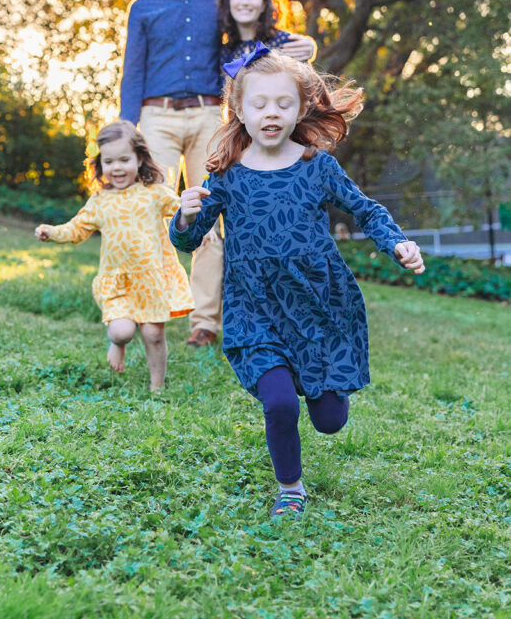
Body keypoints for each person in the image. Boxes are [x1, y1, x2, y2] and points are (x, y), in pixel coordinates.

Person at [169, 45, 424, 517]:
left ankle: (324, 387)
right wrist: (183, 218)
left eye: (283, 103)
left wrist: (396, 243)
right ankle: (290, 489)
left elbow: (366, 208)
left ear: (302, 107)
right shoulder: (225, 175)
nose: (271, 113)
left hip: (316, 305)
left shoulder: (316, 165)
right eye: (260, 103)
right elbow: (189, 241)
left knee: (328, 420)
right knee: (281, 403)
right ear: (239, 109)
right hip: (253, 307)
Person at [119, 0, 224, 348]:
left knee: (209, 214)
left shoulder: (220, 2)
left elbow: (242, 51)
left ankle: (204, 323)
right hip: (156, 116)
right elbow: (133, 71)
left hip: (208, 115)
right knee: (151, 210)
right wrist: (126, 130)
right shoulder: (143, 7)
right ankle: (152, 308)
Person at [35, 120, 193, 392]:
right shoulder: (99, 201)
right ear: (100, 164)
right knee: (122, 330)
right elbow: (76, 229)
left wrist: (198, 217)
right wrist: (52, 232)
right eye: (109, 161)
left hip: (151, 279)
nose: (117, 167)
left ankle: (157, 386)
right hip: (118, 282)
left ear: (139, 159)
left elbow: (182, 212)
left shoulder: (154, 194)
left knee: (153, 334)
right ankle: (117, 344)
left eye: (124, 159)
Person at [218, 0, 317, 73]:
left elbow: (310, 86)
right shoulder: (223, 53)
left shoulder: (285, 43)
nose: (245, 2)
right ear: (229, 2)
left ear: (264, 4)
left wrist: (309, 51)